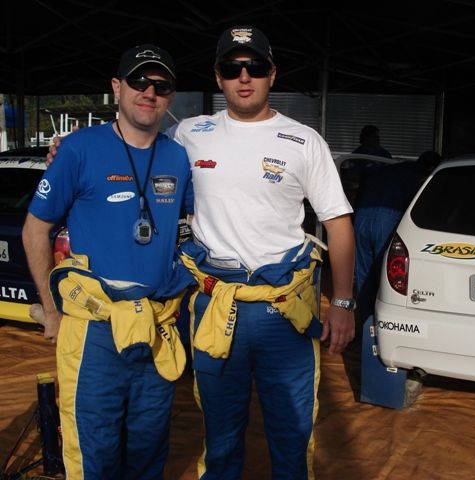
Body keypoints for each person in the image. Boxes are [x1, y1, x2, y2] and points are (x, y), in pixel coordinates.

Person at [168, 25, 356, 479]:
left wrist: (344, 302)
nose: (244, 77)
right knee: (221, 437)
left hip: (283, 311)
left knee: (291, 438)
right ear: (218, 77)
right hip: (216, 306)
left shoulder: (303, 141)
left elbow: (338, 222)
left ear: (273, 73)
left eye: (254, 67)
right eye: (233, 68)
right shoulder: (189, 134)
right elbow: (130, 146)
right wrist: (68, 149)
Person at [23, 44, 193, 480]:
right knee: (93, 456)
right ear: (116, 88)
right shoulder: (78, 149)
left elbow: (191, 226)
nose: (148, 92)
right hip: (94, 335)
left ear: (171, 96)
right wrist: (52, 310)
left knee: (148, 454)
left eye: (161, 85)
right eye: (138, 81)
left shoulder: (178, 157)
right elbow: (34, 229)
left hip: (155, 327)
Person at [354, 150, 441, 321]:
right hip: (387, 219)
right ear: (431, 167)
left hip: (362, 217)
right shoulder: (420, 177)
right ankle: (379, 324)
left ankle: (365, 323)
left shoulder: (389, 169)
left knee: (363, 273)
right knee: (385, 275)